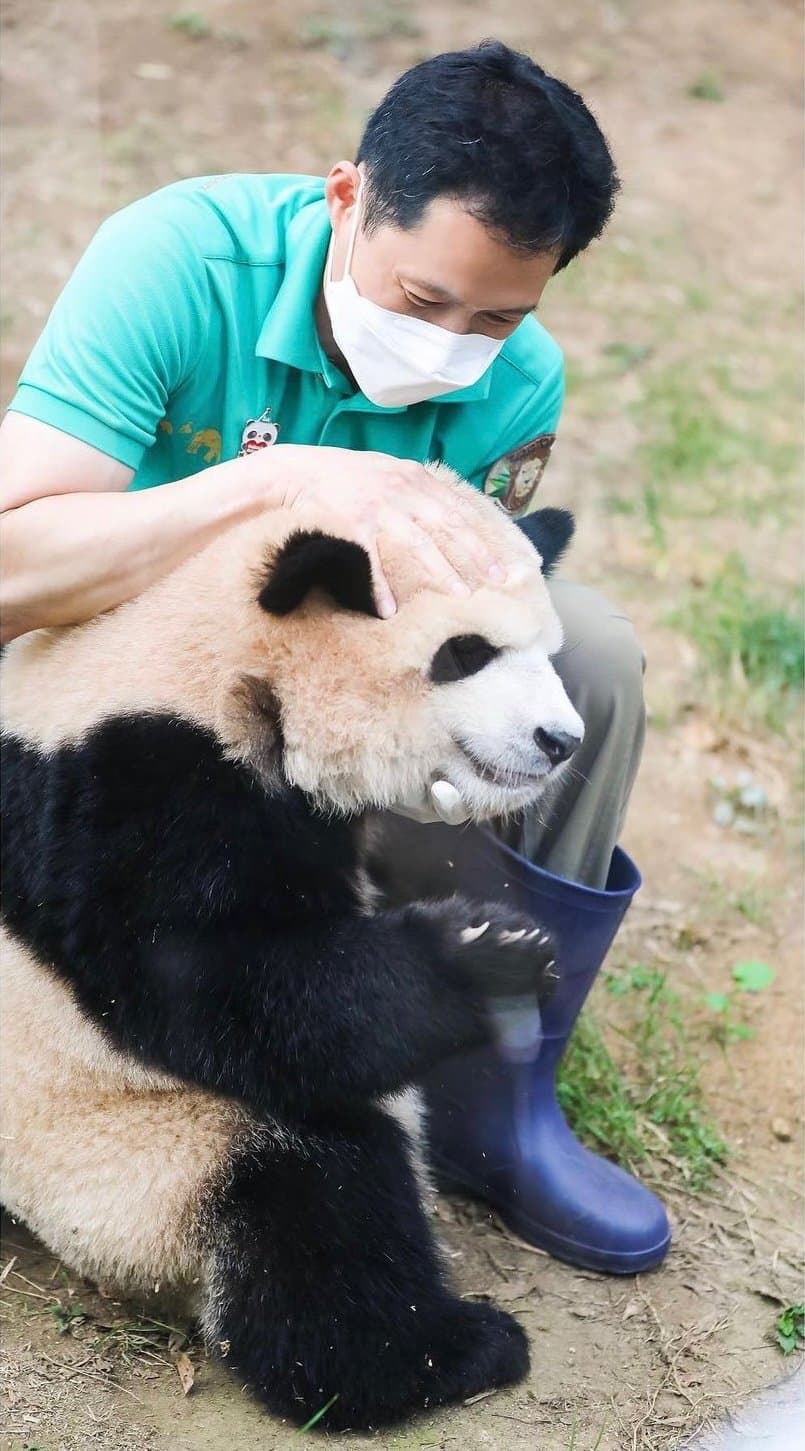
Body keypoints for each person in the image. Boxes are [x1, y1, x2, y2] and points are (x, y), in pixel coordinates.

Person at [0, 40, 669, 1270]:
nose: (454, 345)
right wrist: (275, 483)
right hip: (100, 705)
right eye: (424, 301)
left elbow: (455, 640)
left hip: (319, 726)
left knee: (595, 661)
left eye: (500, 315)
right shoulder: (177, 262)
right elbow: (9, 570)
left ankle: (498, 1084)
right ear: (347, 195)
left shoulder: (516, 386)